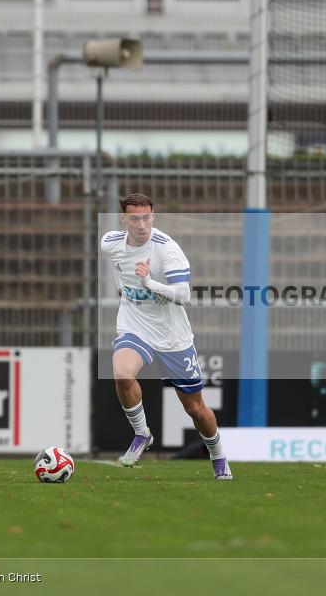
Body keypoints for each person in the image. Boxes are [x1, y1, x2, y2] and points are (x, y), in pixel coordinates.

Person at [100, 193, 232, 480]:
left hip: (173, 337)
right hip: (135, 328)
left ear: (153, 216)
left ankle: (218, 455)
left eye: (146, 217)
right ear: (124, 219)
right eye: (134, 218)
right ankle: (141, 434)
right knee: (122, 374)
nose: (141, 224)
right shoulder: (110, 243)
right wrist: (126, 290)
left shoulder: (167, 248)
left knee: (196, 409)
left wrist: (149, 283)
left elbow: (184, 295)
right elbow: (119, 273)